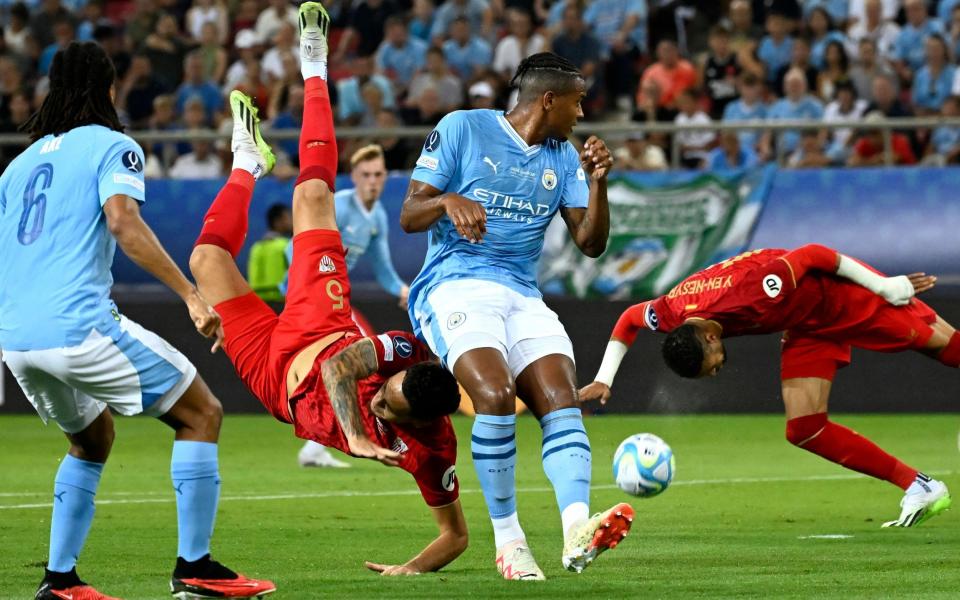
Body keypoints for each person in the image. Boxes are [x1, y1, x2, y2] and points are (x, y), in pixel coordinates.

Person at [188, 4, 469, 575]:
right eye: (387, 391)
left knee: (206, 259)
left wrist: (409, 570)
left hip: (275, 381)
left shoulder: (433, 449)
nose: (380, 398)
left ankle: (246, 161)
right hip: (320, 327)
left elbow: (456, 536)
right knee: (309, 200)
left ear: (418, 424)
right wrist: (357, 436)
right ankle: (315, 67)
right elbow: (343, 370)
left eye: (389, 408)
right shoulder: (403, 354)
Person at [0, 42, 275, 600]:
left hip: (18, 341)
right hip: (78, 328)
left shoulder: (16, 166)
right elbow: (123, 224)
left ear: (49, 92)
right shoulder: (114, 146)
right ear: (109, 90)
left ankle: (59, 581)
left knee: (92, 436)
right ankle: (195, 568)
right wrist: (191, 296)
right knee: (202, 412)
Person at [400, 51, 633, 581]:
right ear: (548, 100)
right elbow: (410, 214)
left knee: (560, 400)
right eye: (576, 102)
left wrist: (598, 182)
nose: (581, 114)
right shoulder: (463, 127)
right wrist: (447, 201)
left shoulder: (565, 155)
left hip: (524, 295)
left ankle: (577, 531)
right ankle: (510, 542)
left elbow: (590, 244)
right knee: (496, 395)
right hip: (456, 285)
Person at [580, 244, 953, 528]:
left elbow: (813, 254)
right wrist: (603, 378)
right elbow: (630, 318)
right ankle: (918, 486)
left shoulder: (752, 292)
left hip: (842, 296)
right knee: (805, 429)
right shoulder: (671, 312)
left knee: (946, 349)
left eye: (711, 366)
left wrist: (883, 285)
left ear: (710, 337)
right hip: (806, 323)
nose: (715, 373)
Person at [293, 143, 410, 469]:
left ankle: (317, 443)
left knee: (341, 364)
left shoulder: (377, 217)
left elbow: (383, 270)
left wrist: (405, 292)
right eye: (366, 175)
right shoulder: (340, 207)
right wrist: (298, 291)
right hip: (312, 299)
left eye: (378, 174)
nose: (373, 181)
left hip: (335, 302)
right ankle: (364, 434)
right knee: (362, 353)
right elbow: (297, 249)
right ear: (354, 177)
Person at [247, 203, 293, 303]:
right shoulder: (286, 246)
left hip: (258, 303)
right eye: (288, 217)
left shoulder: (256, 248)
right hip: (282, 302)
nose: (291, 221)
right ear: (278, 221)